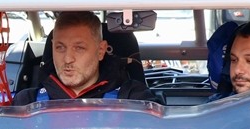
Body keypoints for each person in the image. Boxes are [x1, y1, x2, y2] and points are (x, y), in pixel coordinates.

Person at [13, 11, 158, 104]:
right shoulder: (27, 102)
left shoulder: (134, 100)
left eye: (79, 48)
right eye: (60, 47)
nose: (68, 59)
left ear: (101, 50)